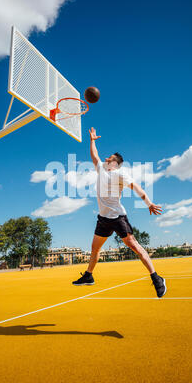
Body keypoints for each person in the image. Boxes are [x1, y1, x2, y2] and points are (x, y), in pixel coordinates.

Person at [72, 127, 166, 298]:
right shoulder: (101, 169)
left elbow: (137, 188)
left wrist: (149, 203)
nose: (106, 158)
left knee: (135, 246)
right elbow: (94, 156)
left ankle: (157, 278)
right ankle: (89, 275)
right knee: (95, 248)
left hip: (117, 217)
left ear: (114, 163)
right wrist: (92, 140)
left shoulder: (121, 174)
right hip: (103, 218)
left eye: (110, 158)